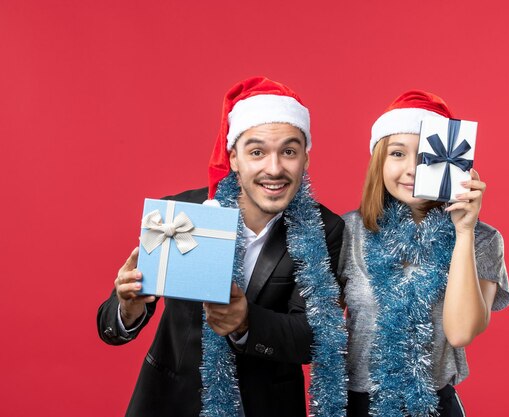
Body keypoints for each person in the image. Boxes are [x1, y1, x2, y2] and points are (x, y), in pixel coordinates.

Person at [97, 77, 347, 417]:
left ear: (305, 159)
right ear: (234, 158)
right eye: (257, 152)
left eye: (288, 151)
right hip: (170, 400)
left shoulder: (326, 230)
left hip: (266, 405)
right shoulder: (185, 214)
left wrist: (246, 321)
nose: (274, 169)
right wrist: (128, 308)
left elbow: (313, 336)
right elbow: (112, 330)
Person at [339, 90, 509, 417]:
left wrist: (463, 232)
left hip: (433, 404)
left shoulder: (483, 240)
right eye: (398, 153)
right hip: (359, 404)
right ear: (379, 161)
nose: (412, 169)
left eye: (425, 156)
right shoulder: (348, 232)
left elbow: (460, 332)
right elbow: (318, 330)